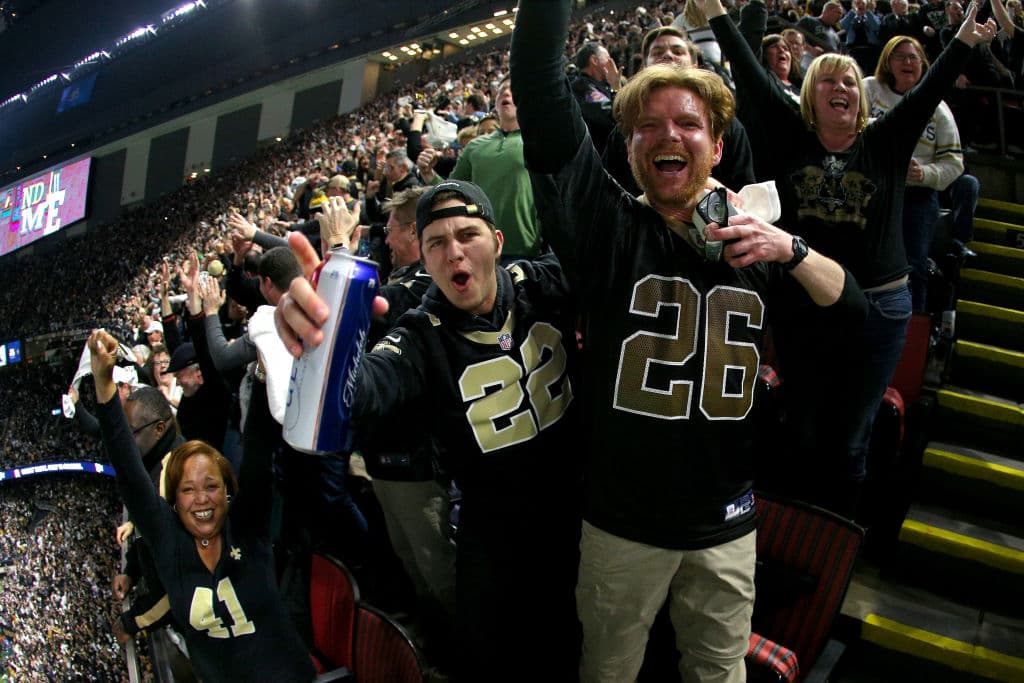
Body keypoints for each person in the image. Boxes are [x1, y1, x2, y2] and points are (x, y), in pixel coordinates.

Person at [509, 2, 868, 681]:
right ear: (631, 148)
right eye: (648, 126)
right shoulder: (606, 225)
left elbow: (851, 312)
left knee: (720, 671)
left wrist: (789, 248)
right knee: (608, 669)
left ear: (718, 145)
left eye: (686, 124)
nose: (666, 135)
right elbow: (536, 87)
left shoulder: (754, 241)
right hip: (622, 525)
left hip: (728, 521)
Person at [276, 180, 581, 682]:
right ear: (425, 256)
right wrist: (319, 345)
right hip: (495, 534)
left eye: (467, 234)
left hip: (581, 510)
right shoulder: (419, 333)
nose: (454, 251)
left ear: (498, 242)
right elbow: (358, 395)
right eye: (436, 242)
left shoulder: (542, 281)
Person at [701, 0, 997, 513]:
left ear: (860, 100)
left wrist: (964, 40)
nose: (840, 89)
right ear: (808, 98)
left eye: (848, 84)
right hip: (805, 304)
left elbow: (930, 88)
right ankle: (798, 531)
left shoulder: (886, 142)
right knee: (803, 424)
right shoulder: (790, 135)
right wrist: (717, 14)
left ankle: (838, 534)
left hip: (880, 310)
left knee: (851, 436)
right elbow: (750, 74)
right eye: (827, 81)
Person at [88, 328, 314, 683]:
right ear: (173, 501)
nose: (202, 499)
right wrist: (103, 388)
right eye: (188, 489)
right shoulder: (168, 542)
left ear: (227, 491)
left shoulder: (247, 528)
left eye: (211, 485)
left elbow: (257, 451)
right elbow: (129, 470)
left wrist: (263, 371)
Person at [865, 35, 966, 310]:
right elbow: (845, 125)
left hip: (917, 198)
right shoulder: (869, 89)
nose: (907, 62)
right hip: (868, 189)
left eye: (913, 57)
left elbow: (954, 163)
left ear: (923, 64)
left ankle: (912, 332)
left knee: (914, 265)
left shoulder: (939, 108)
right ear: (887, 61)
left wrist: (924, 173)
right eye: (900, 56)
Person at [602, 25, 756, 195]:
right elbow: (608, 192)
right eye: (658, 52)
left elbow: (744, 192)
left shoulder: (728, 126)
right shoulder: (624, 131)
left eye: (677, 51)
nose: (668, 55)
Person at [419, 79, 544, 260]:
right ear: (495, 103)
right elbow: (452, 191)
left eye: (512, 89)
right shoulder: (475, 146)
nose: (506, 94)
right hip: (479, 252)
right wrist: (429, 175)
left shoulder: (540, 140)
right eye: (501, 91)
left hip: (525, 253)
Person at [571, 41, 623, 155]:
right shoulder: (582, 87)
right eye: (608, 58)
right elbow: (614, 117)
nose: (612, 63)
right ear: (594, 60)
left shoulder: (602, 84)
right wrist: (616, 88)